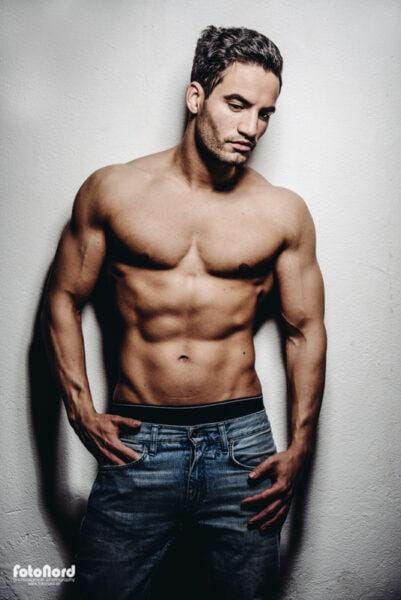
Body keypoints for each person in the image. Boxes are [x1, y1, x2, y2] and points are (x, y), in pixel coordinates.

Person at [41, 25, 327, 600]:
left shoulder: (282, 212)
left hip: (242, 447)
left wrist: (299, 448)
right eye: (237, 105)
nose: (252, 128)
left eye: (265, 114)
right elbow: (63, 298)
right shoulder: (113, 191)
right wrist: (80, 412)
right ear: (196, 97)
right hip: (139, 440)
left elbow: (304, 331)